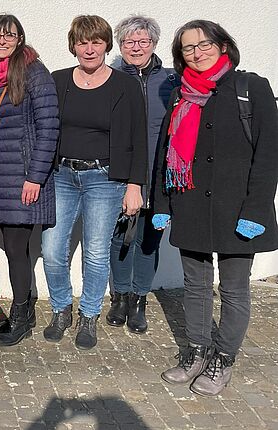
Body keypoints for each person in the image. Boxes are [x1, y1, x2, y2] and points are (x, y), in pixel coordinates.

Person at [156, 20, 278, 396]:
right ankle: (195, 350)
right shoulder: (181, 95)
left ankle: (223, 357)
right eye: (188, 48)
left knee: (234, 291)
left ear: (223, 45)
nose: (197, 52)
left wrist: (256, 210)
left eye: (204, 43)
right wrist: (163, 203)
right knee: (195, 287)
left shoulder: (251, 88)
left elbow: (268, 154)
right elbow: (166, 154)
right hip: (191, 205)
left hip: (237, 209)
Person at [41, 15, 148, 350]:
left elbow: (139, 138)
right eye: (82, 42)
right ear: (73, 45)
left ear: (106, 45)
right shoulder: (58, 81)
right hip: (62, 176)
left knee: (96, 253)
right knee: (53, 251)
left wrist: (135, 185)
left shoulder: (125, 85)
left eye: (96, 42)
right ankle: (61, 309)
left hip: (105, 179)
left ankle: (89, 314)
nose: (89, 49)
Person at [0, 14, 59, 346]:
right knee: (12, 248)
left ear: (20, 39)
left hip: (22, 179)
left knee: (17, 249)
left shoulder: (34, 73)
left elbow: (49, 128)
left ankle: (20, 318)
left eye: (9, 35)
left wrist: (35, 177)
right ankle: (25, 311)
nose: (1, 40)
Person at [105, 15, 179, 334]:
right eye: (129, 42)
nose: (136, 47)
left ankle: (139, 299)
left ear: (154, 44)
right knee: (121, 237)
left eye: (143, 41)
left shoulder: (171, 80)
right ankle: (120, 297)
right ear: (120, 46)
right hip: (120, 173)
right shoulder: (110, 79)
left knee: (149, 240)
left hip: (160, 175)